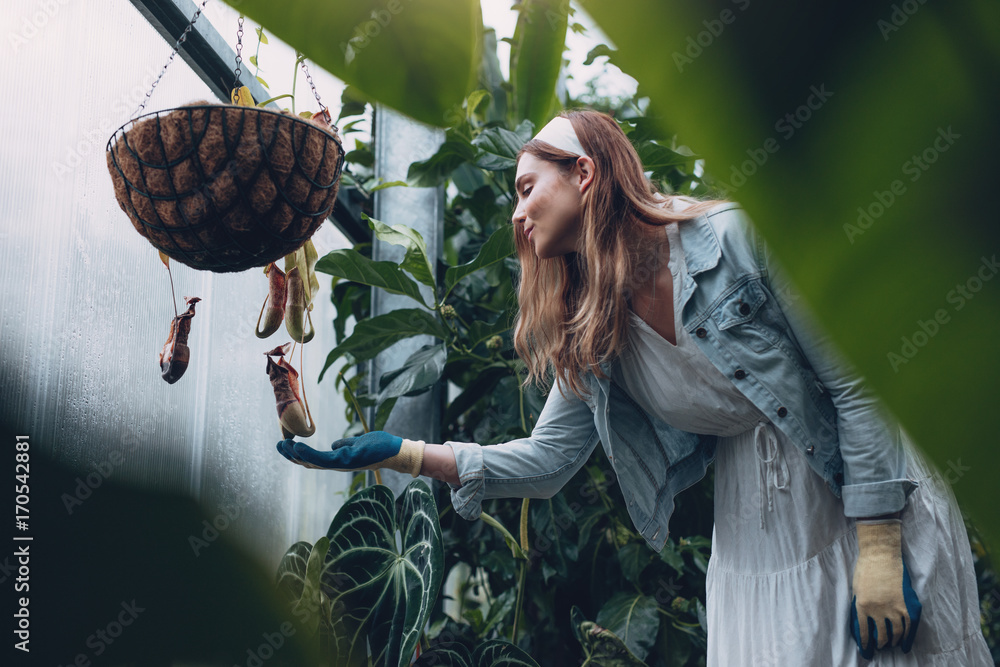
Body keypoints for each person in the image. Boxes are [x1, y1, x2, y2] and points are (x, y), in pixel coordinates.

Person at [276, 110, 991, 665]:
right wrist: (404, 452)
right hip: (756, 539)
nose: (516, 215)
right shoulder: (593, 329)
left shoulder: (736, 240)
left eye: (527, 188)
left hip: (859, 496)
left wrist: (877, 547)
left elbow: (858, 382)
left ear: (584, 173)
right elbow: (547, 460)